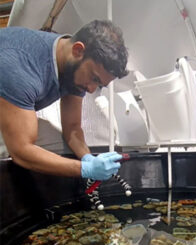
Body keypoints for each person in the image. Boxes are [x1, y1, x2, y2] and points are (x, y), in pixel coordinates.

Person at [0, 20, 128, 181]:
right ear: (77, 50)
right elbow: (21, 151)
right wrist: (84, 169)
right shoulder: (20, 69)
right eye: (94, 78)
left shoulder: (73, 65)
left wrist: (88, 158)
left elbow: (72, 127)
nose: (90, 89)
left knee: (59, 151)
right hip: (8, 85)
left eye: (99, 84)